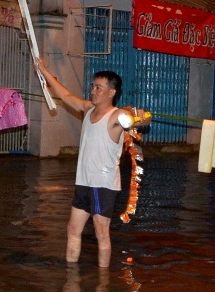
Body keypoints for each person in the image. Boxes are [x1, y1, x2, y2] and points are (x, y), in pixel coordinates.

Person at [38, 58, 148, 268]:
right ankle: (71, 273)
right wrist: (44, 70)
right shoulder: (88, 109)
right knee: (72, 229)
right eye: (92, 86)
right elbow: (65, 95)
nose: (93, 91)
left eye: (99, 88)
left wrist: (142, 118)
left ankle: (103, 280)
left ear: (111, 92)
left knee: (100, 231)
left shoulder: (118, 115)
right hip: (84, 182)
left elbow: (138, 119)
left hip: (103, 184)